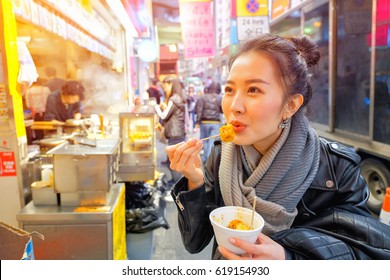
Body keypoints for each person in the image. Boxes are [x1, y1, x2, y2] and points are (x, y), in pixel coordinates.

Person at [166, 34, 390, 260]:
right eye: (230, 89)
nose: (234, 106)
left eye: (253, 90)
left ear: (290, 105)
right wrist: (194, 182)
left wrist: (290, 259)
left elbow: (366, 253)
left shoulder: (337, 169)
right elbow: (195, 242)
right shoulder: (220, 154)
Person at [155, 76, 187, 184]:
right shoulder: (178, 98)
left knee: (174, 162)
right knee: (174, 161)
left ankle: (176, 186)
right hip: (177, 134)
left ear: (171, 85)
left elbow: (164, 116)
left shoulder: (174, 99)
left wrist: (156, 107)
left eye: (165, 86)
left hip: (175, 134)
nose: (164, 89)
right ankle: (175, 184)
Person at [195, 81, 223, 163]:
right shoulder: (220, 98)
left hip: (204, 122)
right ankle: (208, 159)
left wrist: (197, 122)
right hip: (215, 123)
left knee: (205, 141)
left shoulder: (202, 97)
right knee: (212, 141)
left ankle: (205, 158)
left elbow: (199, 111)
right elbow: (222, 110)